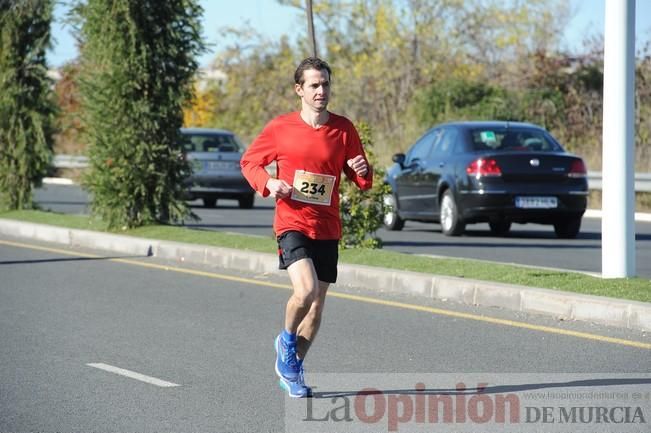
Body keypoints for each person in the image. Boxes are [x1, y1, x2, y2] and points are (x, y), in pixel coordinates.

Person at [240, 57, 373, 398]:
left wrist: (362, 167)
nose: (321, 91)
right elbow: (249, 162)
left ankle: (293, 368)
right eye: (314, 85)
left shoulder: (343, 129)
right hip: (292, 223)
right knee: (306, 291)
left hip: (327, 227)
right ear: (299, 89)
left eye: (325, 84)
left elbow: (362, 180)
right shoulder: (280, 128)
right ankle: (285, 341)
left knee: (316, 306)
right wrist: (269, 184)